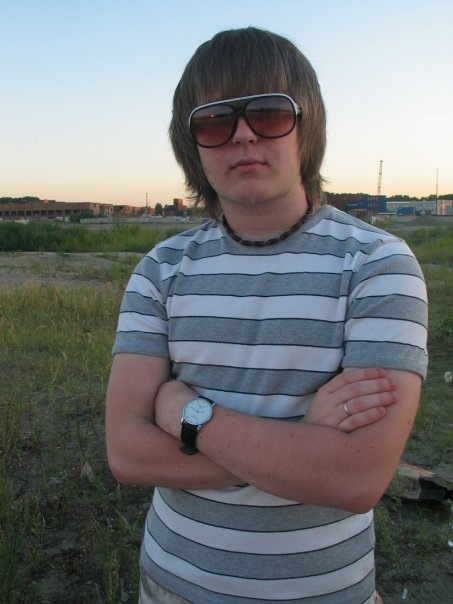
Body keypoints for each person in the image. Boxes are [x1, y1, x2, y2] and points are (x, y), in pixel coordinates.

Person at [105, 27, 428, 604]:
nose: (243, 135)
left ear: (308, 127)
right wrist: (303, 446)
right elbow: (127, 453)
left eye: (269, 112)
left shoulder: (377, 264)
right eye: (214, 121)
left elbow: (356, 478)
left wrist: (187, 417)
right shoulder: (161, 269)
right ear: (192, 145)